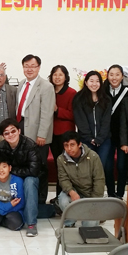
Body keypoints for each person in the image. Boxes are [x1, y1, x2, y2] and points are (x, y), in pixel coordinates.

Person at [16, 54, 55, 206]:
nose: (29, 69)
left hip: (38, 133)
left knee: (39, 167)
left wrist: (42, 134)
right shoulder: (21, 84)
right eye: (26, 66)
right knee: (24, 165)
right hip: (22, 127)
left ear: (39, 67)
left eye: (33, 66)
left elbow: (47, 113)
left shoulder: (46, 86)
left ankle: (40, 200)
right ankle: (27, 198)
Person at [0, 118, 41, 237]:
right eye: (6, 133)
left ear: (19, 131)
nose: (10, 135)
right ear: (3, 136)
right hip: (13, 176)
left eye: (13, 131)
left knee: (29, 182)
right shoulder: (2, 146)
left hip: (30, 177)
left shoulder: (30, 145)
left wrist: (11, 171)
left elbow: (33, 171)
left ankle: (31, 224)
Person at [56, 131, 104, 228]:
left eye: (72, 145)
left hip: (91, 195)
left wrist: (93, 203)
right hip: (75, 192)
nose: (69, 149)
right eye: (66, 145)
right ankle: (70, 222)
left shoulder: (93, 157)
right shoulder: (61, 159)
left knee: (89, 227)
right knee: (63, 199)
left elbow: (99, 180)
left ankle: (95, 216)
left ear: (79, 144)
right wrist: (71, 192)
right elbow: (63, 179)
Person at [73, 71, 112, 187]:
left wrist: (99, 138)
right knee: (87, 168)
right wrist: (89, 138)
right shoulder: (79, 98)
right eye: (91, 81)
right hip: (86, 140)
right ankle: (87, 194)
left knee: (101, 166)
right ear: (86, 82)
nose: (94, 84)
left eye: (97, 81)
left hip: (104, 140)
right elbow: (80, 120)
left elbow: (106, 121)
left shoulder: (106, 99)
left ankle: (99, 192)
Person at [49, 65, 76, 200]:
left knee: (66, 166)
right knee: (57, 165)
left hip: (65, 134)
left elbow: (73, 115)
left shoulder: (71, 93)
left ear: (65, 77)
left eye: (60, 75)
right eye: (55, 74)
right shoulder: (48, 91)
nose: (57, 77)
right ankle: (59, 196)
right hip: (51, 133)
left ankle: (65, 195)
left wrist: (57, 110)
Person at [104, 64, 128, 199]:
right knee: (107, 167)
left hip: (122, 135)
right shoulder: (102, 91)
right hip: (106, 135)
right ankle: (110, 193)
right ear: (107, 76)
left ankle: (119, 194)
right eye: (111, 74)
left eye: (117, 74)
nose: (114, 78)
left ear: (122, 76)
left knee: (121, 166)